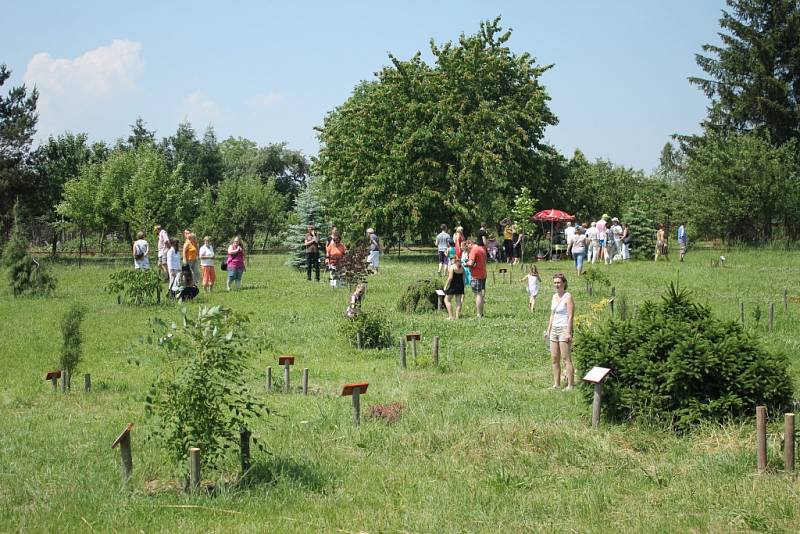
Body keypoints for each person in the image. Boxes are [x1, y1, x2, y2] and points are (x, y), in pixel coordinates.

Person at [545, 273, 574, 389]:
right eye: (555, 282)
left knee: (566, 358)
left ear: (564, 283)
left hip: (563, 329)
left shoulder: (568, 297)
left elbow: (571, 316)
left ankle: (570, 385)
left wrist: (568, 332)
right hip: (554, 330)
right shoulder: (554, 297)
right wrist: (548, 330)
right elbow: (552, 314)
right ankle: (556, 384)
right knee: (554, 358)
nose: (557, 285)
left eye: (559, 282)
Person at [465, 239, 487, 318]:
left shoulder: (473, 250)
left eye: (467, 245)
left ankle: (479, 314)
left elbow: (471, 263)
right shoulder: (482, 249)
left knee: (478, 295)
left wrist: (465, 263)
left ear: (470, 243)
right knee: (480, 294)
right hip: (483, 273)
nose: (468, 248)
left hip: (476, 275)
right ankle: (481, 312)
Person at [443, 256, 465, 320]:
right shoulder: (462, 268)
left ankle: (451, 316)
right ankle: (457, 316)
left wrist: (445, 286)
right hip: (460, 286)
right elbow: (463, 279)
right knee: (458, 301)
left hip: (453, 286)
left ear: (455, 260)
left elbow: (450, 278)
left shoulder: (452, 267)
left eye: (452, 259)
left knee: (446, 300)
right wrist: (463, 287)